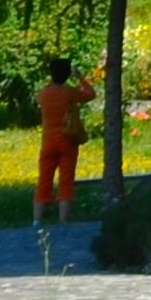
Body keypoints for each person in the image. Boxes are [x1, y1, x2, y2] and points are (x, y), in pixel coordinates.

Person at [33, 57, 86, 225]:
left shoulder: (43, 93)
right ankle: (63, 220)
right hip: (68, 141)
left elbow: (38, 99)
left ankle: (37, 220)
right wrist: (81, 78)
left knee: (44, 180)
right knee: (66, 181)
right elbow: (91, 94)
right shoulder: (69, 93)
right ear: (67, 74)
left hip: (48, 142)